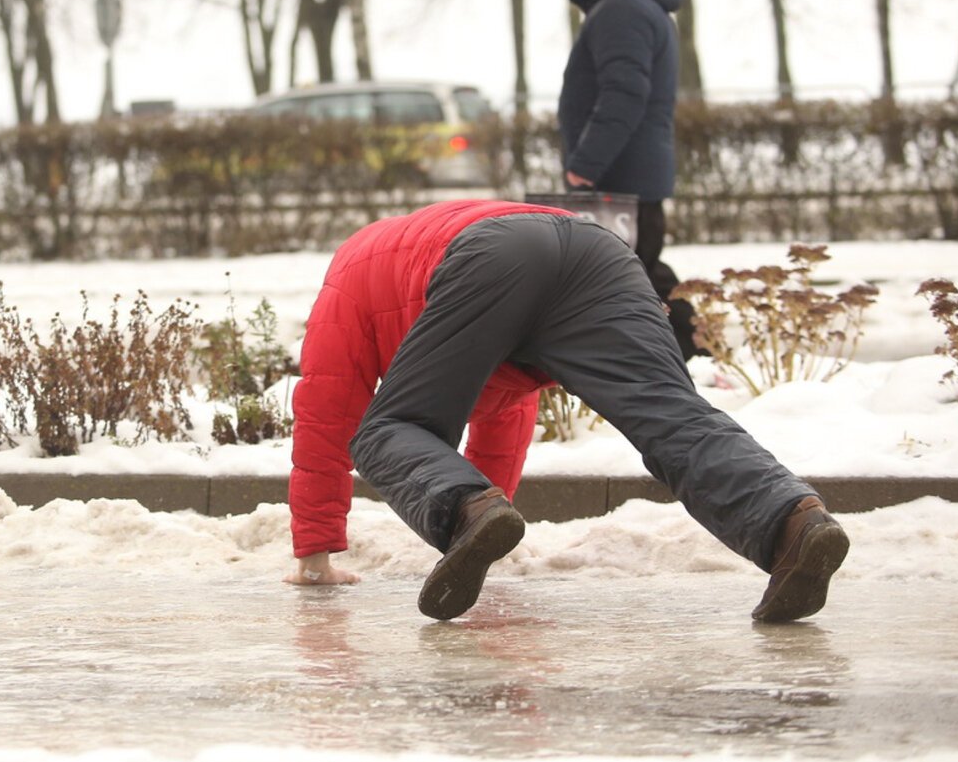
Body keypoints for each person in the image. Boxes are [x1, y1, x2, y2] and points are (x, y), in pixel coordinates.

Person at [283, 199, 849, 625]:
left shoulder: (350, 276)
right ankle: (793, 524)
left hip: (492, 253)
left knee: (383, 430)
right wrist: (481, 520)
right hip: (600, 253)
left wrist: (314, 553)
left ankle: (466, 512)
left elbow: (327, 413)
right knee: (674, 418)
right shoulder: (404, 256)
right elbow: (505, 414)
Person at [554, 0, 699, 358]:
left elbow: (624, 94)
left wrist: (585, 164)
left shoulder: (621, 9)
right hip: (631, 174)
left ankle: (694, 354)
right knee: (640, 270)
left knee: (629, 273)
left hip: (618, 177)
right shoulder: (634, 4)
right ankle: (697, 352)